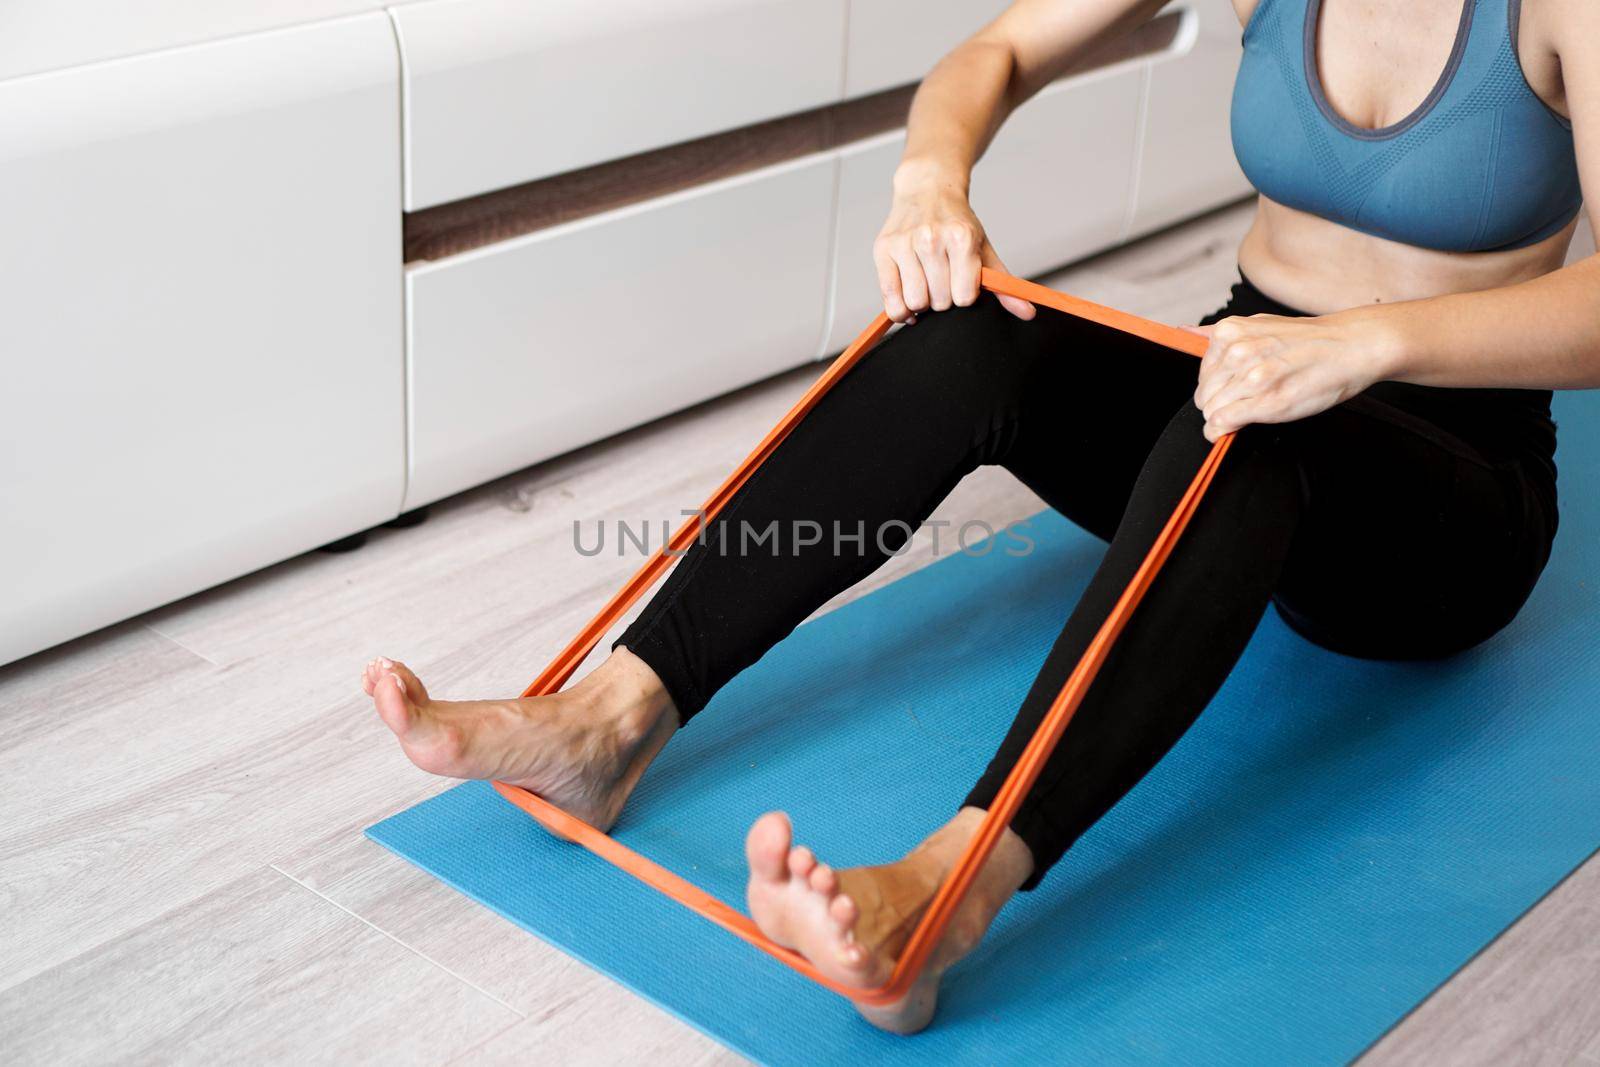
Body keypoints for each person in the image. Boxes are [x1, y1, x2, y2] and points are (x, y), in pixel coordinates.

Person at [362, 0, 1600, 1033]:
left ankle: (948, 890)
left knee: (1245, 434)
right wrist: (929, 185)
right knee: (963, 338)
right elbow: (991, 56)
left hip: (1449, 481)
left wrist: (1363, 344)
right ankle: (608, 721)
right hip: (1239, 371)